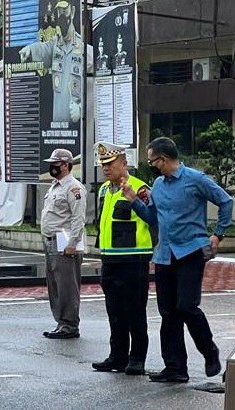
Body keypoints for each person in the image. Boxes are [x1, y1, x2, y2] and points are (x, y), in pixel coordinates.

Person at [121, 136, 233, 382]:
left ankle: (209, 351)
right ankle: (175, 368)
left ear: (163, 159)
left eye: (152, 161)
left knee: (186, 306)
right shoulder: (158, 185)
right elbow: (153, 218)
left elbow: (226, 201)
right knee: (168, 312)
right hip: (165, 255)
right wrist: (133, 200)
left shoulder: (196, 179)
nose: (152, 165)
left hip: (191, 251)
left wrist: (218, 235)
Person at [91, 142, 153, 376]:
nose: (106, 168)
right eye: (103, 165)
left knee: (135, 311)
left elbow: (152, 220)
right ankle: (117, 356)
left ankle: (137, 358)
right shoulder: (105, 190)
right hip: (110, 260)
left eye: (110, 164)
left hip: (133, 259)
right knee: (115, 312)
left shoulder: (140, 189)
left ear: (124, 164)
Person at [40, 148, 87, 339]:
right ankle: (61, 322)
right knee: (55, 284)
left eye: (56, 164)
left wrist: (73, 243)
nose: (52, 167)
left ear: (67, 165)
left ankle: (69, 325)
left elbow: (78, 218)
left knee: (67, 285)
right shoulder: (56, 186)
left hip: (64, 240)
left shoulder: (73, 188)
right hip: (51, 240)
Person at [19, 0, 82, 124]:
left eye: (65, 10)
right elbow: (43, 49)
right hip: (58, 125)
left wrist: (81, 109)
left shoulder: (83, 48)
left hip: (77, 128)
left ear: (73, 12)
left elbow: (96, 84)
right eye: (59, 12)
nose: (62, 15)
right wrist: (29, 50)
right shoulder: (55, 44)